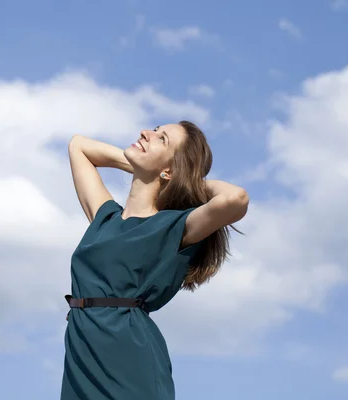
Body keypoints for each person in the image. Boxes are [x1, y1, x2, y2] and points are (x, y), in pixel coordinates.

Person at [61, 121, 249, 400]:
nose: (145, 134)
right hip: (82, 355)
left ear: (169, 170)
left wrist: (184, 182)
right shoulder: (105, 218)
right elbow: (79, 145)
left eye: (161, 139)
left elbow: (236, 199)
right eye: (154, 129)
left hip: (128, 358)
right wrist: (140, 167)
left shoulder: (172, 227)